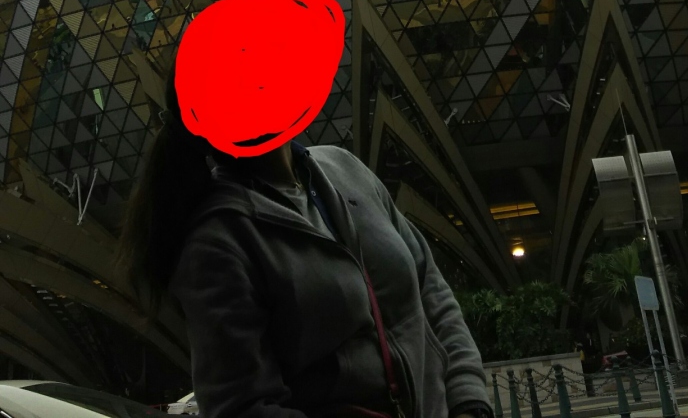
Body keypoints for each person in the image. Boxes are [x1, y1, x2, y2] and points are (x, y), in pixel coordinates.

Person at [118, 56, 493, 418]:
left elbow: (430, 287)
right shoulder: (217, 244)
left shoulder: (344, 168)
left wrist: (467, 402)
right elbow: (241, 406)